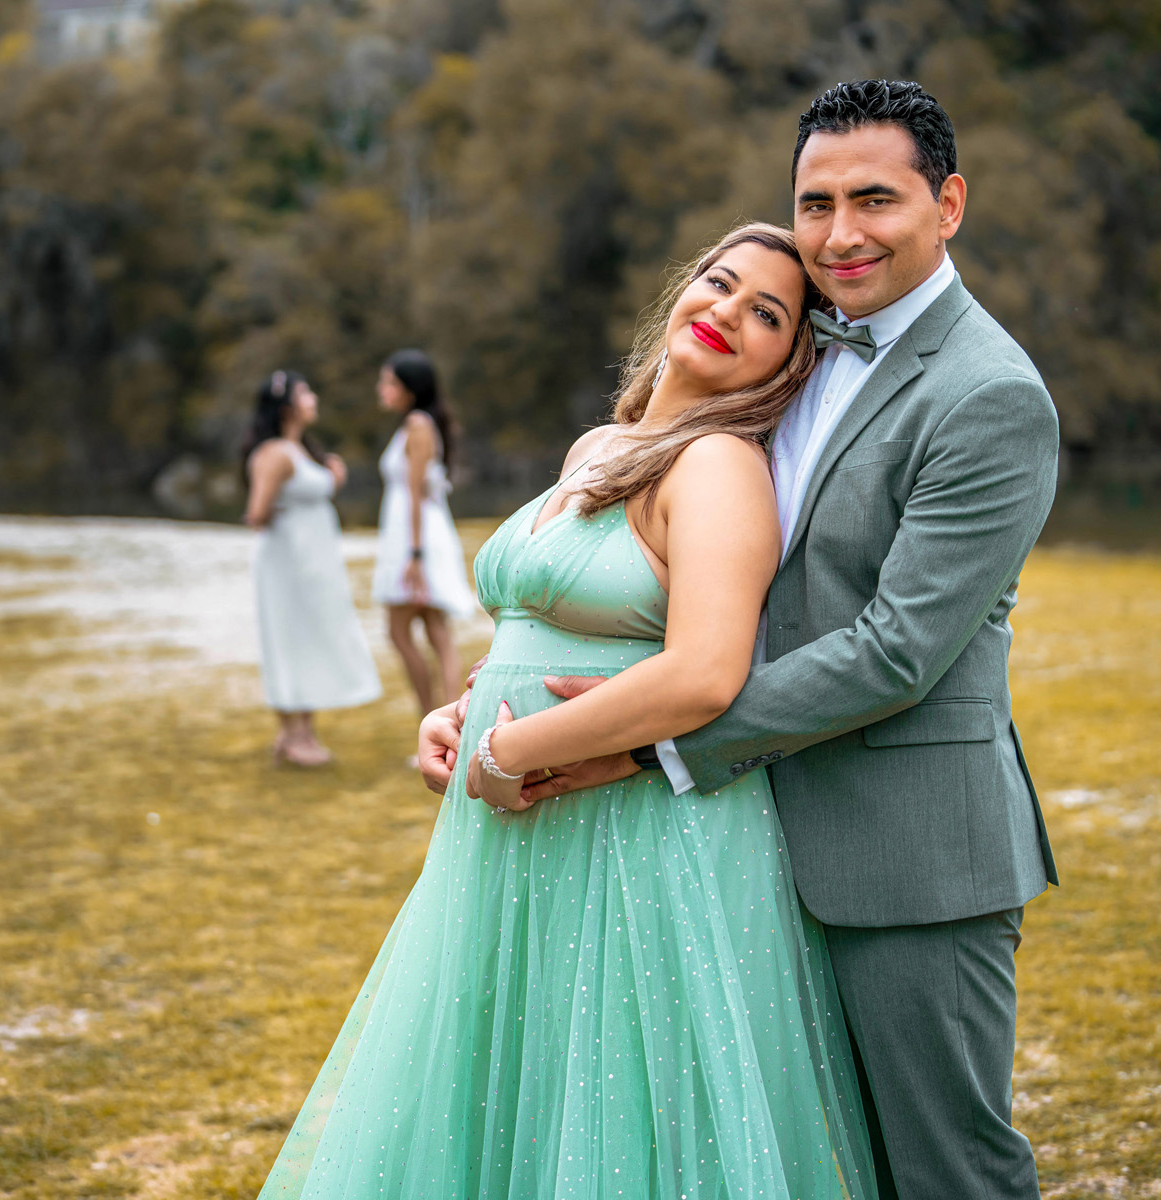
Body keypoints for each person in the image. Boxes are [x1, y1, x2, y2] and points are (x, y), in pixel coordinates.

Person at [422, 80, 1061, 1200]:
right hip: (731, 847)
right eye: (816, 203)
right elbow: (656, 593)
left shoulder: (988, 394)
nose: (841, 232)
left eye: (876, 199)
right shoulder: (785, 353)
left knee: (945, 1168)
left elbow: (898, 650)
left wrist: (647, 746)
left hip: (902, 849)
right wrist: (491, 699)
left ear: (948, 203)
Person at [261, 223, 879, 1198]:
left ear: (790, 360)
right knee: (524, 1093)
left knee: (623, 1113)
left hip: (639, 844)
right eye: (718, 283)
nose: (726, 311)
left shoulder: (718, 466)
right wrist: (463, 712)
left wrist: (509, 754)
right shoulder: (603, 445)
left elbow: (704, 674)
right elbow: (547, 620)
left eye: (766, 313)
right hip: (516, 833)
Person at [243, 370, 383, 766]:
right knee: (288, 639)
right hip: (287, 565)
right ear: (286, 406)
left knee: (311, 638)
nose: (313, 398)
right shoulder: (274, 453)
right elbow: (257, 512)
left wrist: (330, 478)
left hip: (314, 564)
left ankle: (303, 730)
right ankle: (292, 734)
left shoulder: (301, 449)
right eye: (306, 393)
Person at [369, 350, 475, 717]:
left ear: (410, 388)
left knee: (408, 632)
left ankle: (435, 720)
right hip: (416, 535)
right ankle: (443, 723)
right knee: (434, 631)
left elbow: (415, 493)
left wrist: (414, 556)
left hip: (416, 539)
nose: (382, 389)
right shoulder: (418, 424)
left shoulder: (417, 425)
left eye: (389, 382)